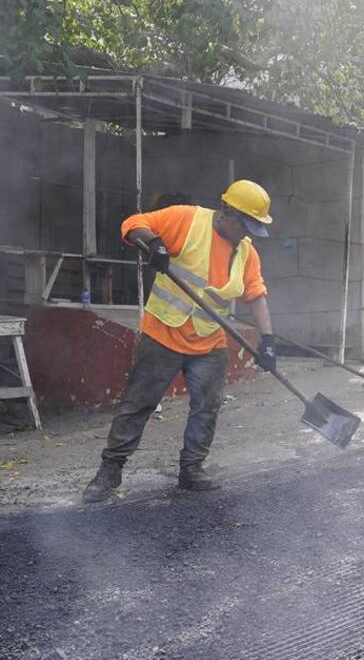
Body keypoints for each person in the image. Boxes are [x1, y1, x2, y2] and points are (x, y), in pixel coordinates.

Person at [82, 180, 279, 503]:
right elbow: (133, 224)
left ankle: (192, 469)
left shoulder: (246, 253)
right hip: (164, 333)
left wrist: (267, 341)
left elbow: (256, 296)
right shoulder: (186, 219)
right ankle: (110, 471)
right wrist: (156, 243)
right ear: (226, 211)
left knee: (207, 407)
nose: (247, 234)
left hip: (209, 341)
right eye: (245, 226)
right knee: (138, 403)